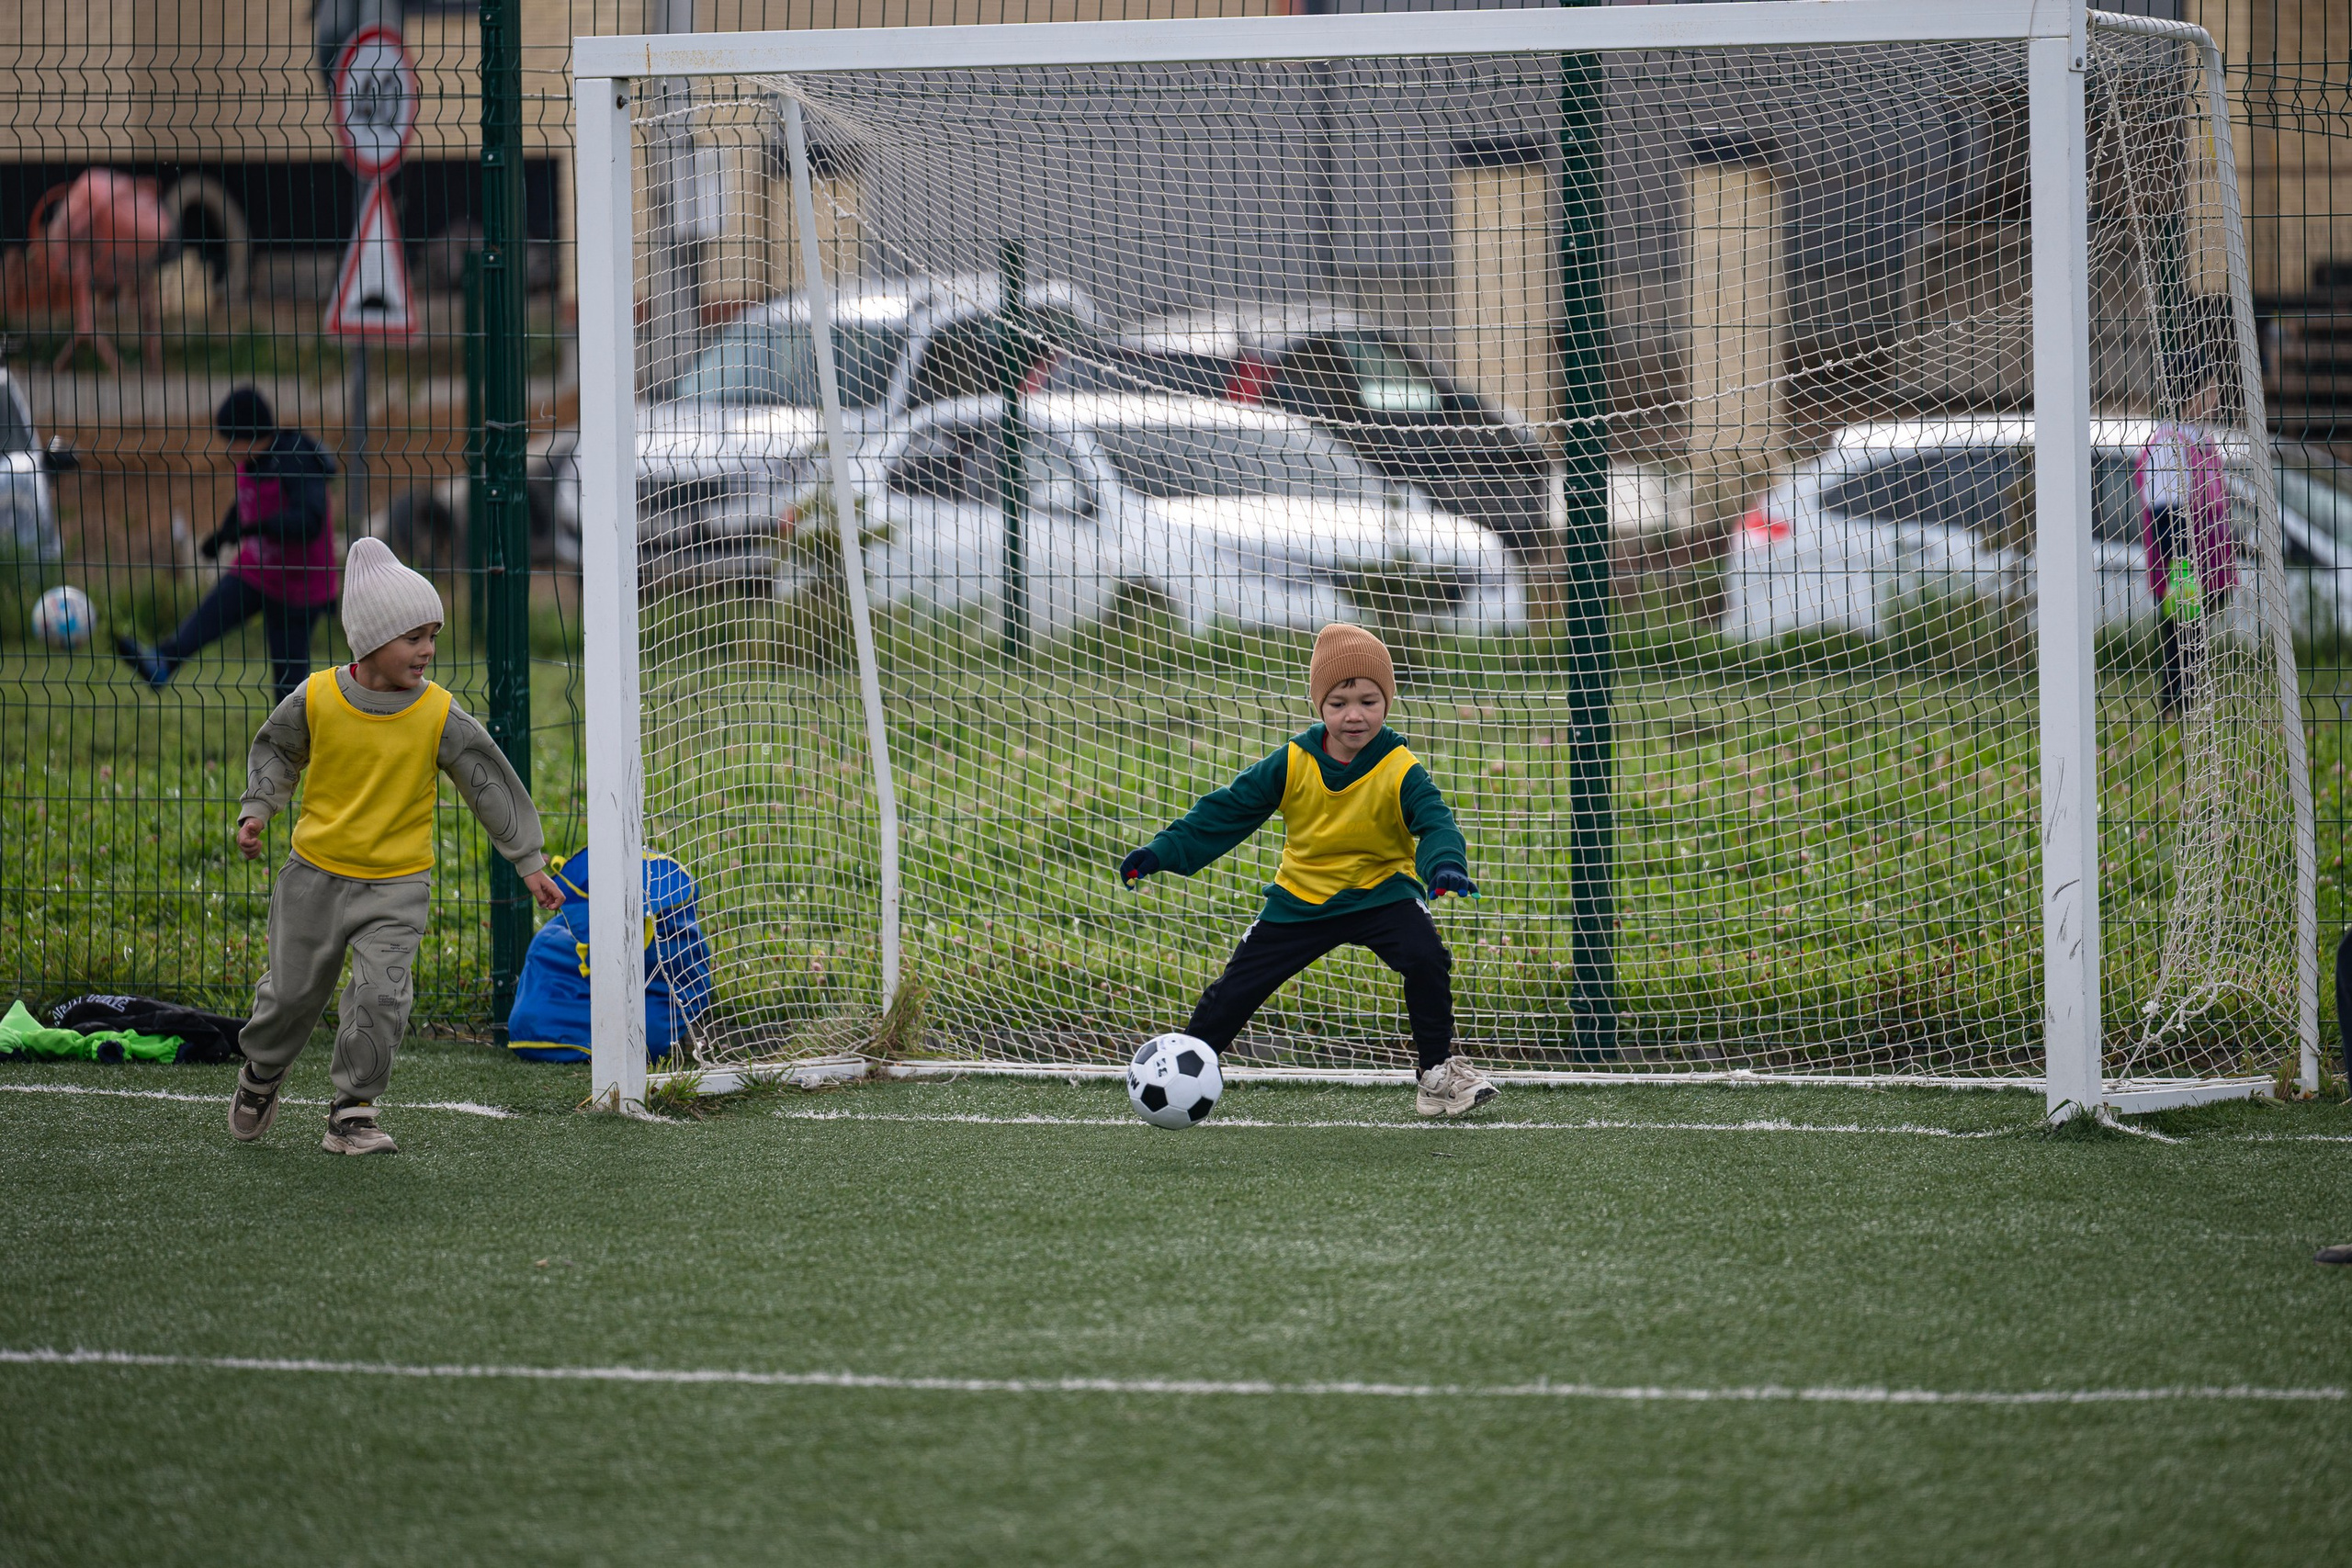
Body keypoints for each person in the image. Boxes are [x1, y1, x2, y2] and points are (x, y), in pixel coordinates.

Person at [225, 537, 564, 1156]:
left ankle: (352, 1111)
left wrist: (529, 860)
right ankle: (262, 1072)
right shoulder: (318, 697)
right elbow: (276, 749)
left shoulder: (438, 712)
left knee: (382, 995)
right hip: (313, 876)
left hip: (397, 884)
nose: (428, 649)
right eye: (413, 636)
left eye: (432, 634)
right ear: (370, 640)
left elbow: (489, 782)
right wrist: (258, 808)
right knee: (292, 995)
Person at [1117, 623, 1496, 1118]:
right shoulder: (1293, 759)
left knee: (1426, 958)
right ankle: (1184, 1066)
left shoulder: (1402, 767)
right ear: (1319, 706)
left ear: (1388, 702)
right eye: (1339, 703)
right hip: (1302, 899)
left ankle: (1436, 1075)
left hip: (1382, 893)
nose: (1354, 715)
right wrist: (1163, 850)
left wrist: (1445, 865)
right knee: (1235, 991)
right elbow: (1227, 810)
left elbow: (1436, 824)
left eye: (1368, 701)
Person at [118, 387, 339, 705]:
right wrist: (224, 534)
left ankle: (292, 741)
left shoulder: (295, 459)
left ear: (250, 434)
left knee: (288, 676)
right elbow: (247, 503)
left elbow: (308, 522)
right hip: (258, 568)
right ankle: (162, 662)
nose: (227, 447)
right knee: (212, 613)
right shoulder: (250, 461)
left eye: (231, 438)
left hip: (300, 585)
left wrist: (252, 528)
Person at [2134, 369, 2236, 714]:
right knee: (2180, 642)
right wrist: (2182, 573)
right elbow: (2165, 513)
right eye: (2209, 391)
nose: (2216, 399)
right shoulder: (2168, 444)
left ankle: (2188, 710)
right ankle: (2175, 712)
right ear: (2188, 395)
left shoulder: (2202, 440)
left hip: (2209, 564)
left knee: (2196, 642)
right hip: (2183, 567)